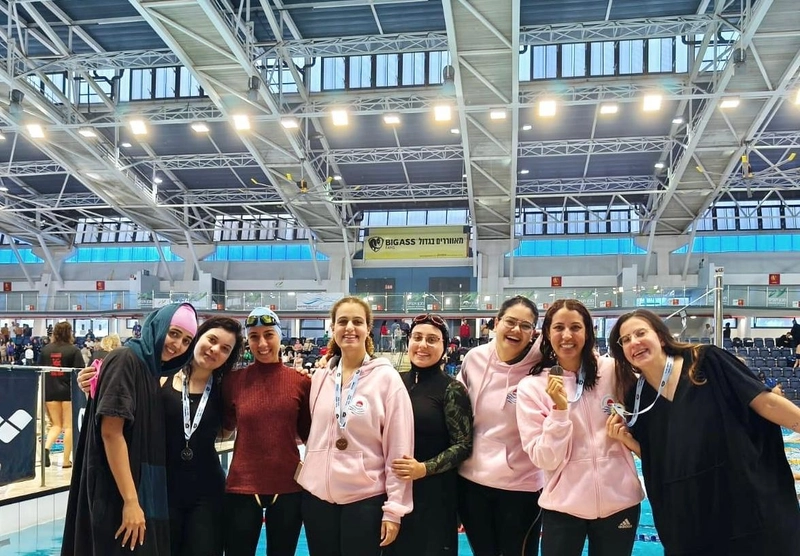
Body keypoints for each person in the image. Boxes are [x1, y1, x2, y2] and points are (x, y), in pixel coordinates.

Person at [607, 309, 800, 555]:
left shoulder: (705, 361)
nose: (634, 342)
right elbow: (659, 459)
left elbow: (765, 403)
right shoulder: (638, 399)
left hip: (741, 498)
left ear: (661, 337)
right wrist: (627, 440)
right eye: (625, 339)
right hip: (692, 516)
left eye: (640, 333)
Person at [62, 303, 197, 556]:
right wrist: (131, 501)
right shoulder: (126, 359)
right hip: (118, 494)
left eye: (187, 340)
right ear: (157, 327)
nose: (178, 344)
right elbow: (111, 433)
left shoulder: (150, 370)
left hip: (138, 489)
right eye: (174, 333)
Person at [517, 299, 643, 556]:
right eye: (559, 327)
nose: (567, 336)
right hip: (563, 507)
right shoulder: (532, 387)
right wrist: (559, 411)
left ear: (588, 332)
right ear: (547, 333)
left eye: (575, 327)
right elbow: (544, 459)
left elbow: (646, 423)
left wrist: (629, 438)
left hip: (620, 501)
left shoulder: (614, 371)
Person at [297, 296, 414, 556]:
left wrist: (394, 509)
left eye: (357, 322)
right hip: (318, 500)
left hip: (364, 500)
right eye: (342, 322)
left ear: (368, 328)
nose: (349, 328)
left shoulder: (387, 379)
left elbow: (399, 449)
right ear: (333, 328)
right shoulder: (320, 378)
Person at [456, 295, 544, 556]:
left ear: (534, 332)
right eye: (510, 322)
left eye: (525, 326)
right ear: (496, 323)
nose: (516, 330)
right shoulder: (474, 358)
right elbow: (457, 412)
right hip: (472, 483)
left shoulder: (543, 365)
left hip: (521, 487)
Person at [222, 308, 311, 556]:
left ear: (280, 336)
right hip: (242, 486)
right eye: (254, 336)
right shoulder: (232, 381)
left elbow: (310, 436)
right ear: (247, 341)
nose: (262, 343)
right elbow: (223, 428)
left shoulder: (301, 381)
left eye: (269, 335)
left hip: (288, 487)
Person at [388, 313, 473, 555]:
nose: (423, 345)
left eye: (432, 340)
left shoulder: (452, 389)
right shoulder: (393, 382)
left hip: (435, 496)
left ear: (444, 347)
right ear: (408, 342)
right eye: (417, 338)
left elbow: (464, 445)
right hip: (393, 492)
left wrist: (424, 468)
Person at [41, 322, 84, 468]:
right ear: (69, 333)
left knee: (56, 425)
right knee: (68, 426)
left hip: (50, 391)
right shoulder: (74, 350)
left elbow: (39, 370)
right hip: (68, 392)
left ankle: (46, 448)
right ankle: (66, 461)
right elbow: (80, 372)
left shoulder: (46, 350)